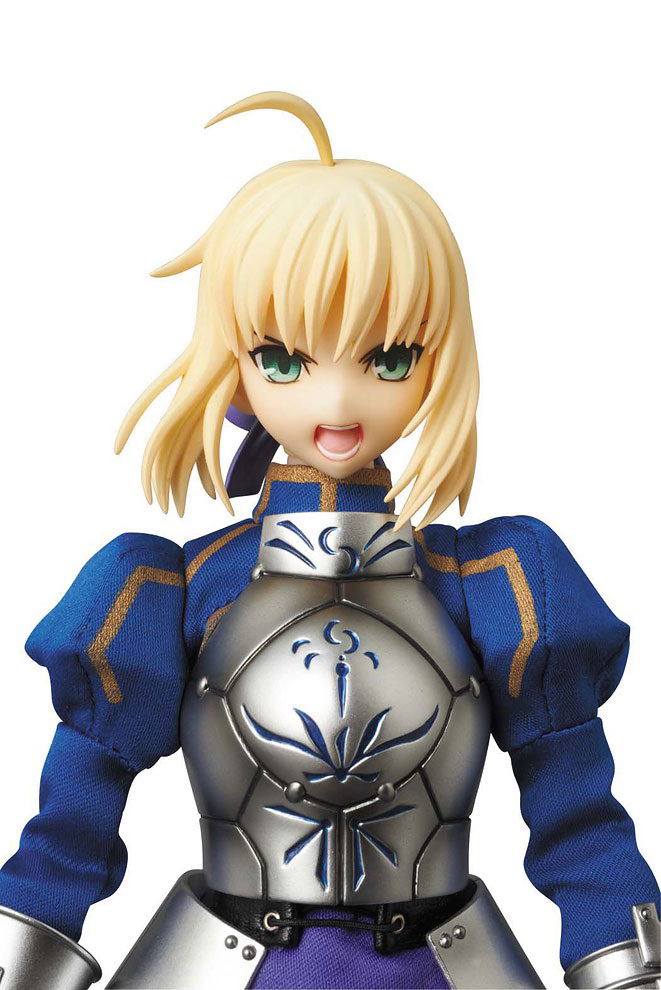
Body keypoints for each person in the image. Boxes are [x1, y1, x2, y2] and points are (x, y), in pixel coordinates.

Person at [0, 93, 657, 990]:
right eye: (283, 359)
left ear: (438, 359)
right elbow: (72, 822)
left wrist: (624, 963)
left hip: (437, 964)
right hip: (227, 963)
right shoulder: (166, 589)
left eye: (389, 358)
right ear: (234, 365)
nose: (339, 401)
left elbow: (575, 813)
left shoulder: (498, 580)